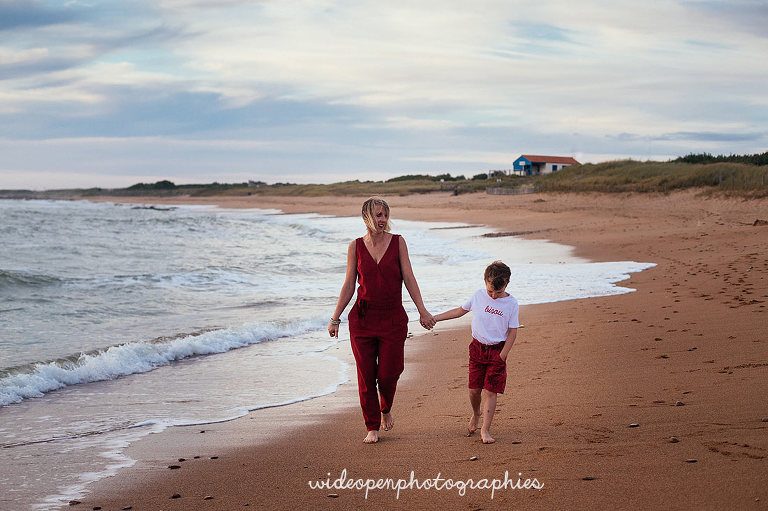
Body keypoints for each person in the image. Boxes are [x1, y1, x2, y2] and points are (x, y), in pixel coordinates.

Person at [328, 197, 435, 444]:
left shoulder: (398, 243)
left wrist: (423, 311)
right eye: (378, 215)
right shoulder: (355, 246)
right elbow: (348, 285)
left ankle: (385, 407)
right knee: (366, 375)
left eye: (385, 215)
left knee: (389, 373)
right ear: (367, 217)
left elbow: (409, 277)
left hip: (393, 318)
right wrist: (335, 318)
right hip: (362, 320)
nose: (383, 220)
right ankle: (372, 426)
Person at [432, 261, 519, 444]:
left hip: (497, 350)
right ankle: (475, 413)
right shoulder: (478, 296)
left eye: (498, 292)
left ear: (507, 283)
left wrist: (503, 355)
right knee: (474, 391)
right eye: (490, 291)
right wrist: (434, 318)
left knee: (490, 391)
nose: (494, 296)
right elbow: (459, 311)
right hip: (477, 348)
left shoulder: (511, 303)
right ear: (485, 282)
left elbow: (513, 331)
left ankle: (485, 430)